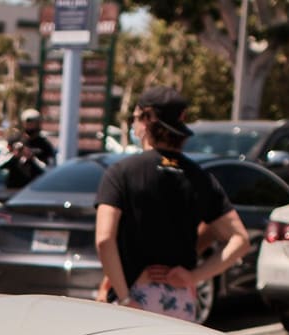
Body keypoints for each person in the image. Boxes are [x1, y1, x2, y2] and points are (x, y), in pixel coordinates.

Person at [93, 85, 249, 321]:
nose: (134, 125)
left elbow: (105, 239)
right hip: (180, 301)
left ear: (148, 120)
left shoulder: (121, 172)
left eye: (135, 118)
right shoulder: (199, 177)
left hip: (132, 297)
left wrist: (123, 297)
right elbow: (240, 240)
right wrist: (194, 277)